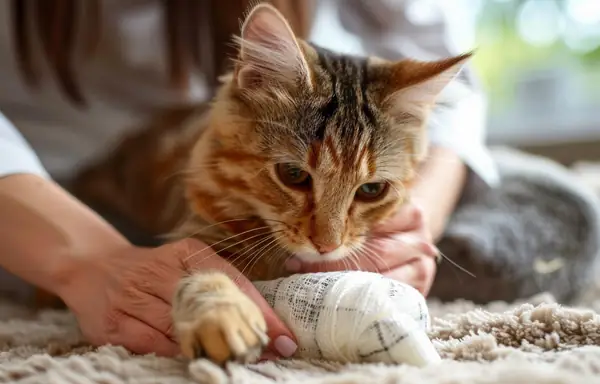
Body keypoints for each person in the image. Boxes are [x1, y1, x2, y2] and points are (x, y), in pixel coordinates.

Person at [0, 0, 496, 359]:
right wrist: (88, 258)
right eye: (295, 177)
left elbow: (444, 73)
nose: (327, 237)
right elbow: (204, 256)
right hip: (45, 177)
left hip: (336, 104)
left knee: (552, 206)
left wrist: (415, 229)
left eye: (370, 191)